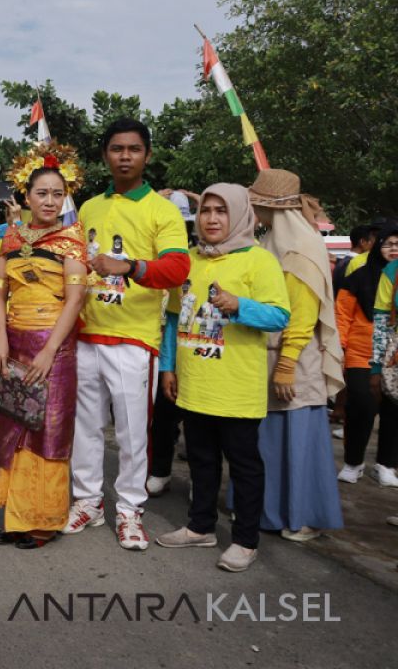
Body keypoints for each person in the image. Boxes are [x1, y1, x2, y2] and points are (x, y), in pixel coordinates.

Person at [67, 118, 190, 550]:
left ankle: (130, 511)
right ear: (105, 155)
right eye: (116, 149)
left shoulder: (163, 210)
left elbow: (178, 268)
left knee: (134, 433)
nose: (124, 156)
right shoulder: (87, 208)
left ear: (147, 155)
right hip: (87, 335)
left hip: (135, 340)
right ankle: (87, 502)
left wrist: (131, 266)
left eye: (133, 149)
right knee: (85, 427)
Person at [156, 184, 289, 572]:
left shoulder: (258, 261)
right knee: (200, 459)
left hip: (236, 387)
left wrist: (239, 305)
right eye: (206, 211)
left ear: (239, 215)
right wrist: (168, 366)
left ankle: (246, 541)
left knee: (244, 465)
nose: (212, 219)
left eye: (221, 211)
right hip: (195, 382)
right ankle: (201, 527)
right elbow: (171, 318)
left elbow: (280, 316)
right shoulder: (190, 260)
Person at [0, 145, 87, 549]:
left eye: (57, 194)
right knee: (13, 428)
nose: (50, 201)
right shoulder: (11, 238)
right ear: (25, 197)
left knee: (47, 431)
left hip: (54, 347)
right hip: (14, 344)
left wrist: (49, 351)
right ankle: (16, 517)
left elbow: (76, 299)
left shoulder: (72, 240)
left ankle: (43, 521)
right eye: (42, 193)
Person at [242, 169, 345, 540]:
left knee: (298, 442)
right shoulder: (274, 242)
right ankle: (271, 513)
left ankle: (303, 516)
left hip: (295, 360)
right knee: (270, 442)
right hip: (269, 356)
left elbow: (302, 316)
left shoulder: (299, 250)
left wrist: (286, 365)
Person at [336, 225, 398, 484]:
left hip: (393, 355)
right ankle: (353, 461)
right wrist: (339, 348)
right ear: (377, 246)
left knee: (394, 409)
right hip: (361, 352)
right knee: (362, 403)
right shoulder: (359, 276)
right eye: (388, 244)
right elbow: (342, 314)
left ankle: (386, 464)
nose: (393, 249)